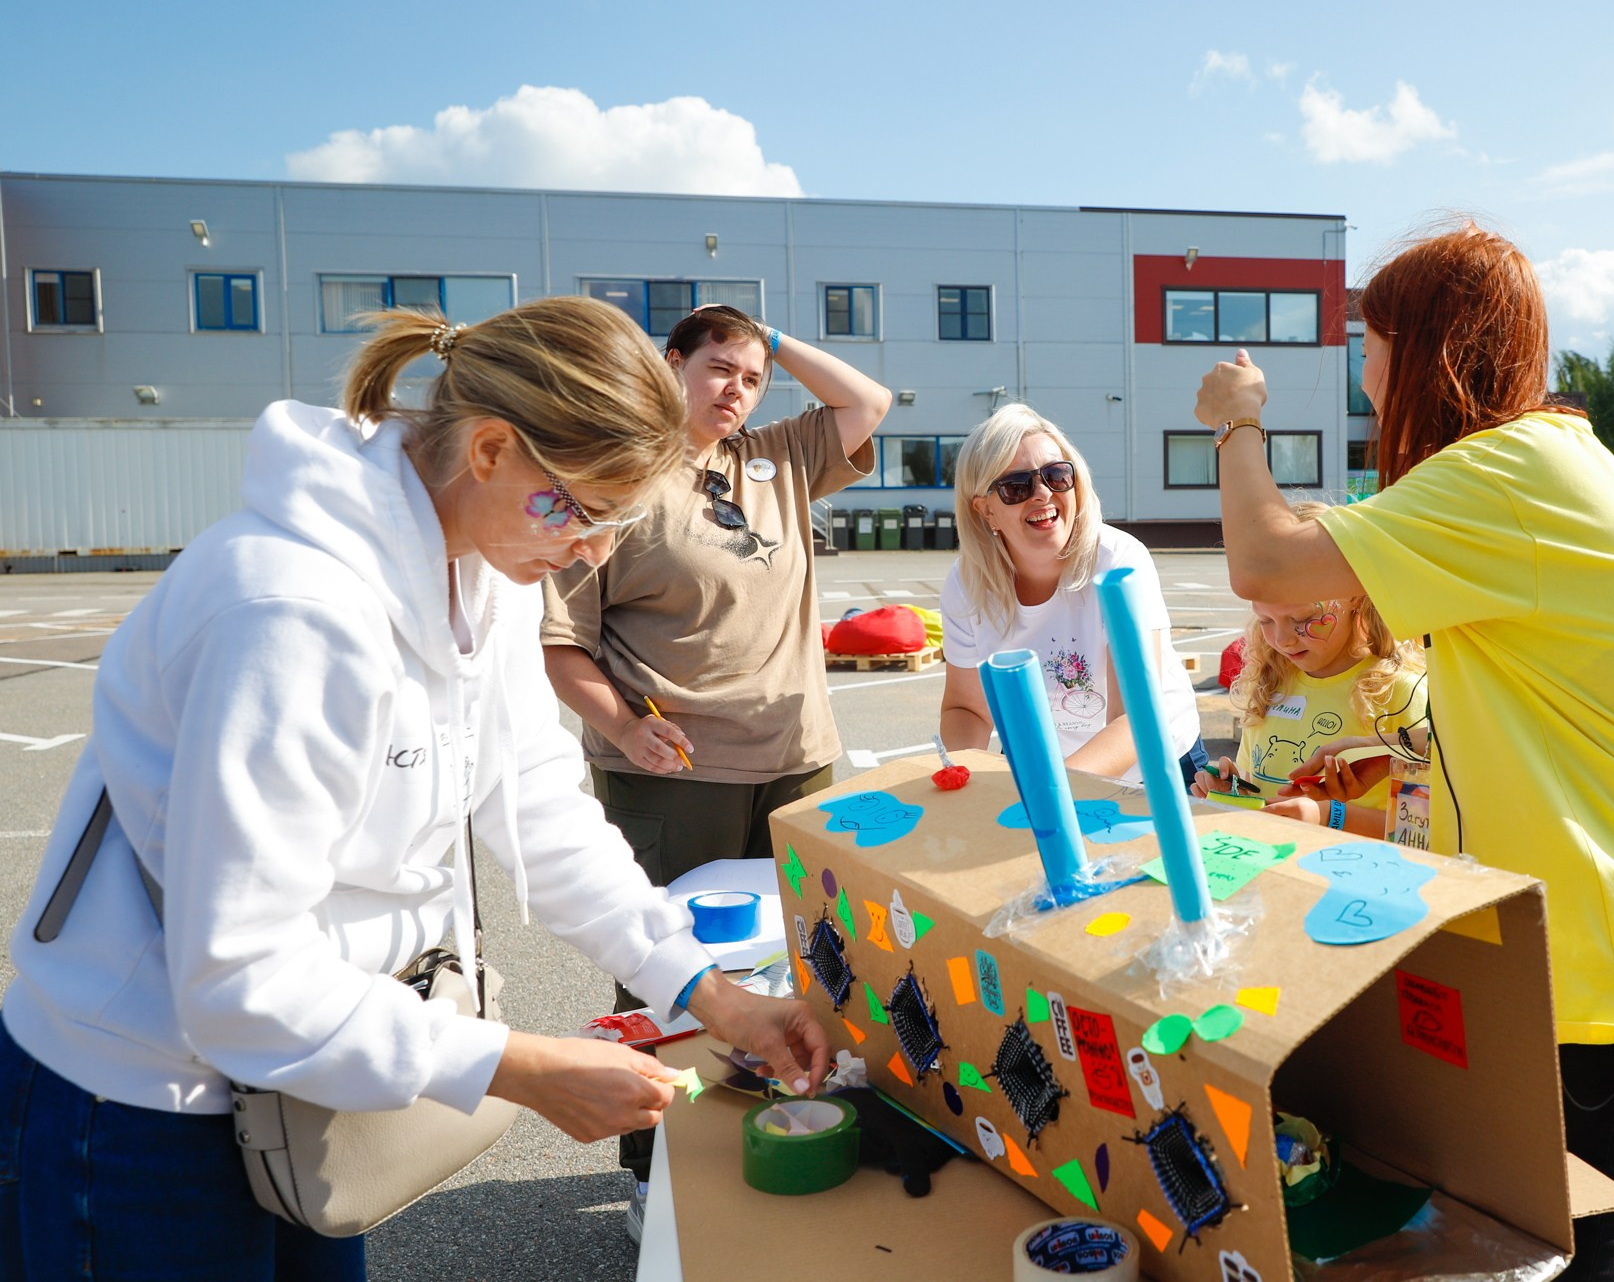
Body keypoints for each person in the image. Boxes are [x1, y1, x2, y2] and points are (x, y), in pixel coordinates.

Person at [0, 298, 829, 1281]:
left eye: (619, 522)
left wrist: (711, 992)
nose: (592, 551)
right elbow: (235, 978)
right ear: (488, 450)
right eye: (582, 511)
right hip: (143, 1103)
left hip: (316, 1073)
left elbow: (545, 811)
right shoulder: (288, 613)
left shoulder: (484, 571)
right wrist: (514, 1066)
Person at [1192, 222, 1614, 1280]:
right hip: (1580, 960)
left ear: (1424, 348)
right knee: (1505, 1252)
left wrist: (1236, 425)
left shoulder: (1511, 470)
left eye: (1368, 345)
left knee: (1575, 1261)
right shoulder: (1515, 472)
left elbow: (1267, 565)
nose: (1364, 377)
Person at [539, 304, 887, 1227]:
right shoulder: (613, 478)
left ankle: (794, 1119)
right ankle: (655, 1175)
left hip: (798, 761)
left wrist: (773, 341)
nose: (737, 390)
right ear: (672, 365)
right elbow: (563, 645)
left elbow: (869, 402)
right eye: (719, 369)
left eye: (752, 375)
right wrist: (623, 726)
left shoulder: (775, 457)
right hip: (670, 774)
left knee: (813, 960)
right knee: (666, 969)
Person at [938, 404, 1205, 785]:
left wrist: (1052, 790)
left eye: (1056, 475)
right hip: (1050, 770)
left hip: (1156, 769)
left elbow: (1135, 719)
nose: (1043, 494)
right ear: (985, 512)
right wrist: (969, 776)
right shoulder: (967, 583)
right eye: (1016, 487)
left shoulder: (1119, 561)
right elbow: (968, 709)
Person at [1191, 502, 1427, 836]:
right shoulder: (1270, 680)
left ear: (1356, 596)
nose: (1283, 640)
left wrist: (1331, 817)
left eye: (1303, 620)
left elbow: (1423, 831)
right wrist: (1235, 792)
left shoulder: (1402, 693)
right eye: (1266, 621)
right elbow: (1265, 792)